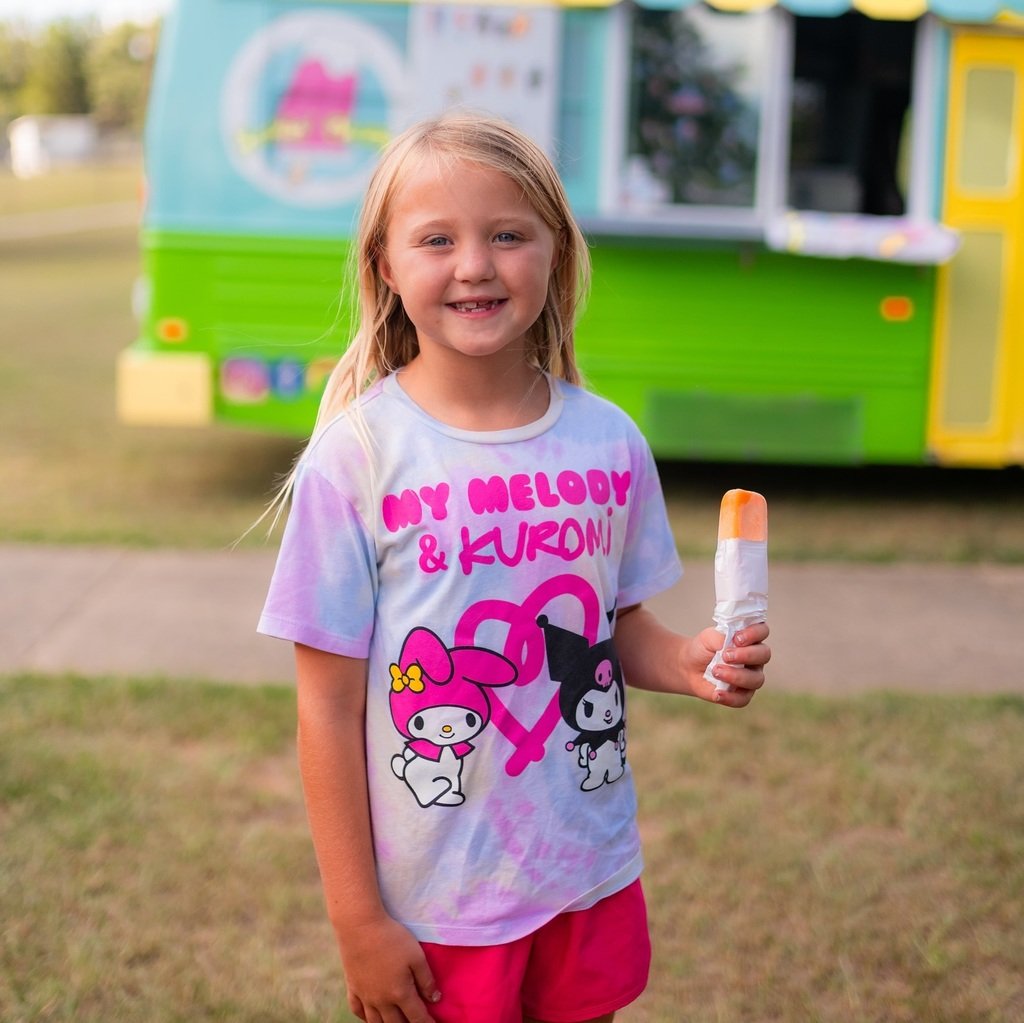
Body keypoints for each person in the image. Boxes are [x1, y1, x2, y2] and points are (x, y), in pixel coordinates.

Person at [257, 111, 770, 1023]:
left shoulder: (609, 441)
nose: (475, 265)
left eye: (507, 234)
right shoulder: (359, 456)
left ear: (555, 254)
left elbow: (614, 634)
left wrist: (689, 662)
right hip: (438, 900)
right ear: (386, 265)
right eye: (436, 239)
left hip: (585, 871)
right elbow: (326, 706)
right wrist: (356, 916)